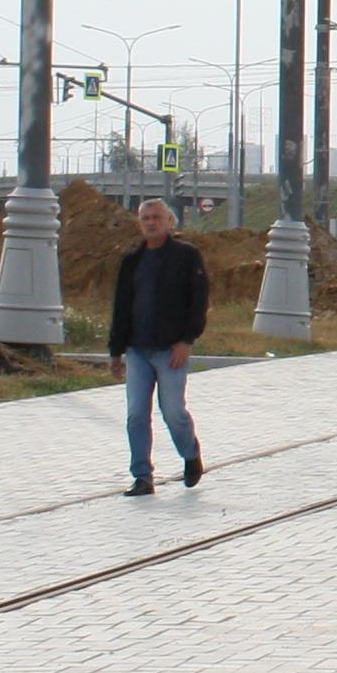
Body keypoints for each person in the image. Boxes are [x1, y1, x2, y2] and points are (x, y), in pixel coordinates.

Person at [106, 198, 212, 496]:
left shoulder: (186, 256)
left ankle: (190, 454)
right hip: (138, 350)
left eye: (156, 217)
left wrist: (186, 340)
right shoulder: (132, 260)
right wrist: (116, 351)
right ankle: (142, 476)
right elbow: (121, 307)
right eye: (145, 218)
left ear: (169, 221)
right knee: (136, 414)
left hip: (170, 350)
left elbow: (199, 301)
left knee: (173, 411)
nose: (150, 223)